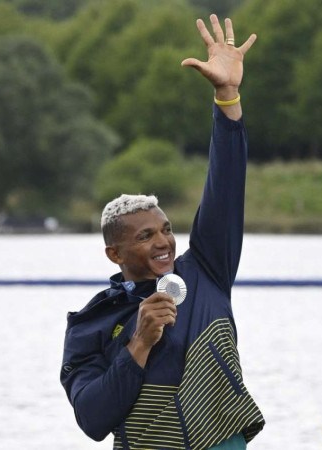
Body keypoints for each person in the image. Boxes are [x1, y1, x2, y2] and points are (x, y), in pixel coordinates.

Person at [61, 14, 264, 450]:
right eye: (145, 236)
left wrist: (227, 98)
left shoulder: (206, 270)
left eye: (167, 230)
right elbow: (92, 420)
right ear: (114, 255)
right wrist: (139, 344)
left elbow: (226, 186)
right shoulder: (91, 325)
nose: (164, 242)